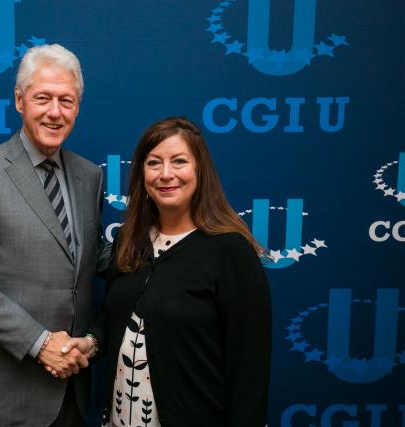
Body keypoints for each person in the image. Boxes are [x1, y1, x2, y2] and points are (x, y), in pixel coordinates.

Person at [62, 117, 272, 426]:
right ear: (142, 174)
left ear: (200, 170)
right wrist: (91, 342)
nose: (166, 174)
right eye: (154, 163)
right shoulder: (129, 241)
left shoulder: (230, 252)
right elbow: (115, 315)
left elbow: (249, 369)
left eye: (179, 161)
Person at [0, 44, 108, 427]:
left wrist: (170, 249)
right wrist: (40, 343)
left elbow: (90, 255)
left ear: (78, 107)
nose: (55, 112)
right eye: (42, 98)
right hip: (3, 391)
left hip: (70, 384)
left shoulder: (89, 176)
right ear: (19, 101)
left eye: (66, 100)